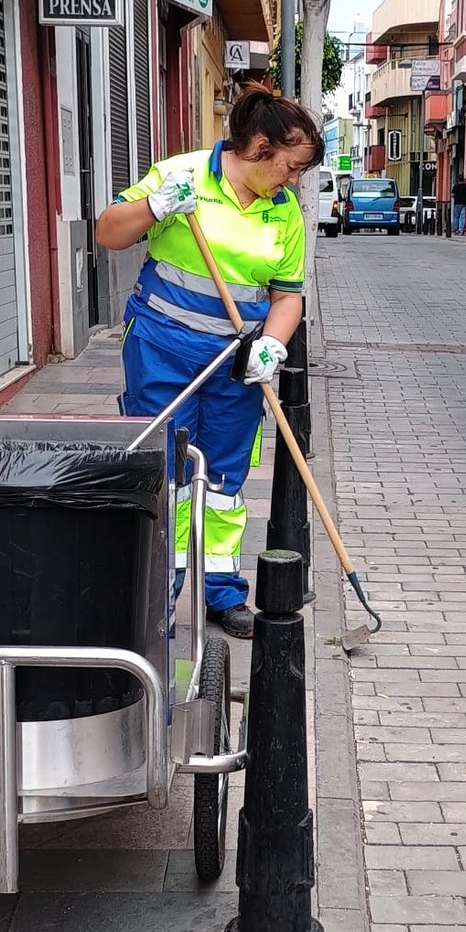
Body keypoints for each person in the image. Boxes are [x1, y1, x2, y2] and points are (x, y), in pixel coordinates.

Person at [95, 85, 324, 639]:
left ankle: (219, 590)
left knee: (223, 477)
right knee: (166, 469)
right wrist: (154, 207)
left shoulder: (283, 210)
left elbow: (287, 294)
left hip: (234, 361)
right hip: (162, 350)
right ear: (259, 147)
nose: (294, 180)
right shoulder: (185, 176)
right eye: (290, 167)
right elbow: (107, 232)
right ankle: (160, 589)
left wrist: (271, 344)